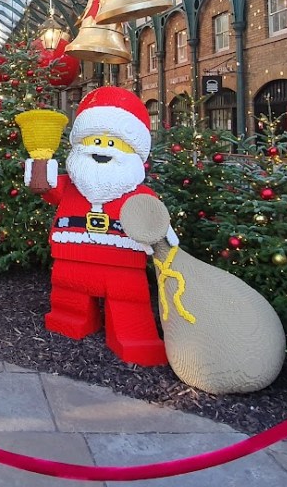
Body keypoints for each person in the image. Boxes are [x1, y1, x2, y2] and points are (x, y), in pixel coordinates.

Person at [25, 87, 176, 366]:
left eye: (112, 142)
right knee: (70, 293)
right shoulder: (70, 185)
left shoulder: (138, 194)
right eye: (95, 140)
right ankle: (71, 318)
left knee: (127, 300)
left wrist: (164, 240)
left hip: (122, 263)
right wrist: (39, 163)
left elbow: (154, 218)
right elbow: (44, 186)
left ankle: (131, 333)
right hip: (72, 257)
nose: (101, 149)